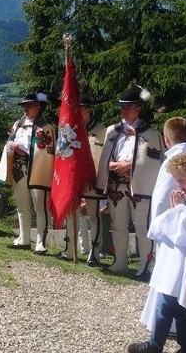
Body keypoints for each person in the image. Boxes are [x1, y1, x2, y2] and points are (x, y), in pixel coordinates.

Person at [129, 153, 186, 353]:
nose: (178, 185)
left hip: (184, 264)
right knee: (178, 308)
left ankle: (155, 345)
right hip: (175, 262)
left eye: (182, 180)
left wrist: (178, 210)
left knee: (166, 305)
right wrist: (178, 209)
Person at [94, 85, 164, 277]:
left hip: (140, 187)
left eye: (128, 106)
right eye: (122, 107)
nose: (124, 110)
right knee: (118, 225)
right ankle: (120, 263)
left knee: (143, 227)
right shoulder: (112, 131)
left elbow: (154, 162)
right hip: (116, 185)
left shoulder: (151, 134)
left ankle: (146, 265)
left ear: (139, 107)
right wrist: (110, 166)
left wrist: (129, 166)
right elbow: (105, 156)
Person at [0, 92, 55, 254]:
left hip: (38, 170)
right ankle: (23, 238)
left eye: (29, 106)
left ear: (38, 107)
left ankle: (40, 242)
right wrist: (13, 147)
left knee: (40, 207)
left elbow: (46, 152)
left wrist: (21, 148)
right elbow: (10, 141)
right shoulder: (18, 124)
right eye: (24, 106)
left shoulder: (46, 127)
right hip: (19, 169)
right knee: (22, 206)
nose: (25, 109)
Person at [62, 93, 106, 263]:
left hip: (92, 180)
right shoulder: (68, 130)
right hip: (73, 181)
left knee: (94, 217)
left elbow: (104, 157)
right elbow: (63, 155)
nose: (76, 112)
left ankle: (94, 253)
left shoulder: (101, 131)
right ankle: (69, 249)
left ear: (88, 110)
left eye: (80, 109)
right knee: (71, 215)